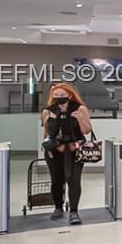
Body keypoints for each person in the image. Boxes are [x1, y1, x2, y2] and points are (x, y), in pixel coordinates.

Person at [40, 82, 94, 224]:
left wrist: (79, 118)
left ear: (69, 95)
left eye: (62, 95)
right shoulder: (47, 111)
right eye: (56, 95)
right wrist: (48, 148)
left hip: (74, 149)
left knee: (74, 180)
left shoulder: (80, 109)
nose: (59, 98)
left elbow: (87, 130)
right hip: (55, 151)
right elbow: (46, 133)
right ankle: (58, 207)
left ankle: (74, 211)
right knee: (56, 181)